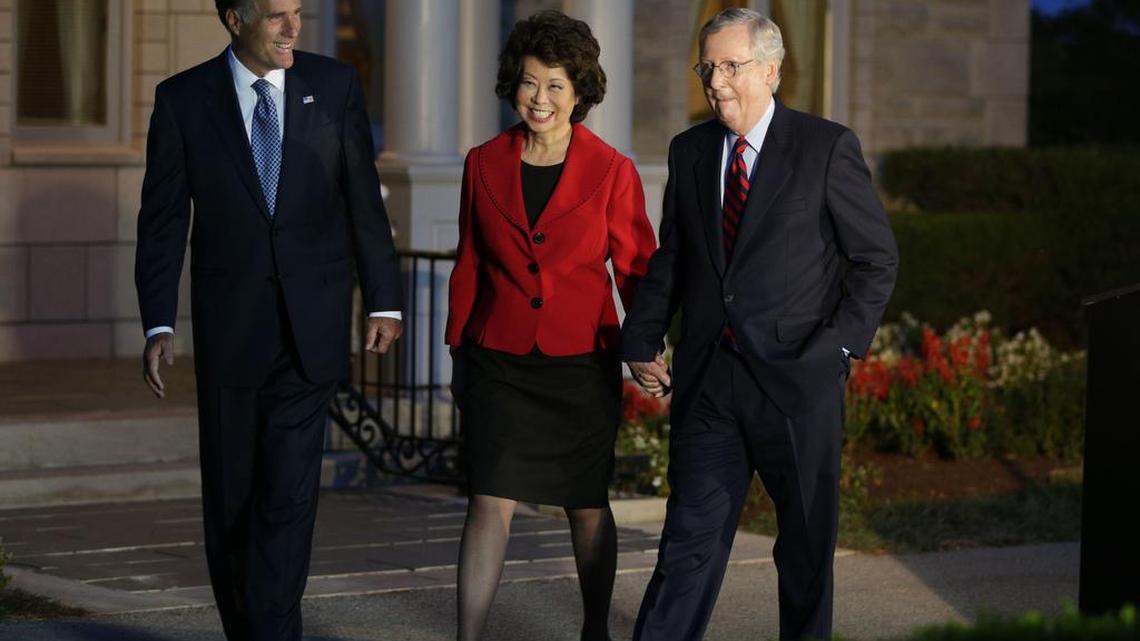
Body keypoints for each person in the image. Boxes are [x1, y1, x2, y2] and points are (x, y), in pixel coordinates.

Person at [621, 8, 898, 641]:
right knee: (685, 548)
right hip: (710, 384)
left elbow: (876, 258)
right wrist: (641, 337)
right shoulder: (689, 151)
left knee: (802, 558)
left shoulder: (826, 146)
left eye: (730, 66)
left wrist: (839, 349)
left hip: (799, 386)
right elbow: (674, 256)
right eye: (707, 66)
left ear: (770, 71)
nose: (715, 80)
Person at [134, 0, 403, 638]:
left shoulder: (334, 87)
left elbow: (361, 195)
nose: (293, 28)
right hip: (231, 334)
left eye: (299, 12)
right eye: (276, 15)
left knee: (287, 497)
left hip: (311, 331)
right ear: (233, 18)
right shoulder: (183, 99)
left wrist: (383, 298)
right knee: (233, 505)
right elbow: (164, 221)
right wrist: (157, 322)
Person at [445, 10, 657, 641]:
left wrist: (645, 345)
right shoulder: (482, 163)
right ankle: (468, 637)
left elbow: (638, 267)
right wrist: (458, 350)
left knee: (586, 506)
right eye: (530, 83)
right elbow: (469, 265)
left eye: (556, 85)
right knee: (489, 499)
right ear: (514, 84)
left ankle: (596, 628)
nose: (540, 98)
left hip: (579, 362)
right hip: (498, 359)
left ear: (580, 91)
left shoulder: (612, 170)